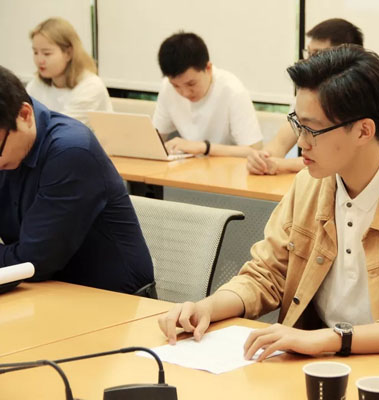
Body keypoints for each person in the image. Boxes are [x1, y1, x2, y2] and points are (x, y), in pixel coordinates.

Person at [158, 45, 379, 365]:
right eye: (298, 125)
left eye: (312, 129)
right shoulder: (309, 185)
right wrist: (208, 307)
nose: (301, 142)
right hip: (319, 366)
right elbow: (266, 274)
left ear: (363, 130)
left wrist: (332, 339)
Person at [0, 65, 154, 295]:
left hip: (114, 300)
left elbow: (33, 261)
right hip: (44, 291)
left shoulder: (71, 152)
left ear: (24, 115)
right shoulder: (10, 145)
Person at [246, 18, 379, 175]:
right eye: (308, 52)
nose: (309, 60)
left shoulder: (370, 99)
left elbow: (342, 160)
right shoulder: (310, 95)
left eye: (317, 54)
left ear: (345, 57)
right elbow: (280, 143)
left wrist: (280, 165)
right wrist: (262, 158)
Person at [153, 32, 262, 157]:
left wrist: (204, 148)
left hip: (227, 166)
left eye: (191, 84)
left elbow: (255, 151)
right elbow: (155, 138)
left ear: (208, 68)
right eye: (176, 86)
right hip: (188, 166)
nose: (185, 93)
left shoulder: (232, 90)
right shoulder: (167, 87)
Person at [26, 17, 112, 126]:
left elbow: (61, 128)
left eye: (47, 53)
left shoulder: (91, 85)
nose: (39, 60)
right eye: (35, 52)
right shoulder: (36, 84)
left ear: (68, 53)